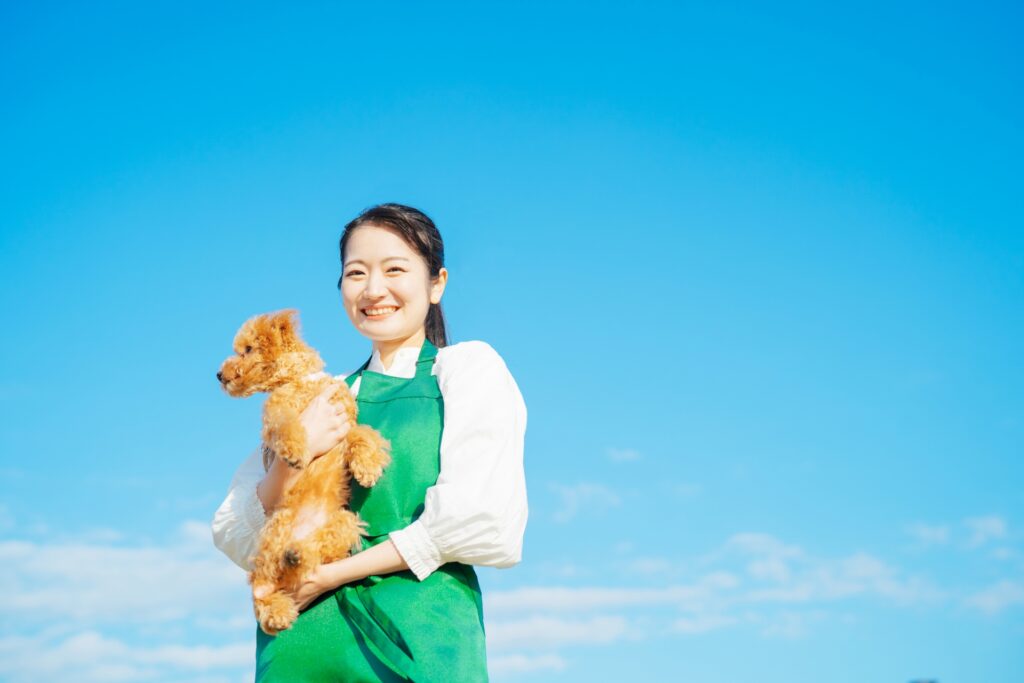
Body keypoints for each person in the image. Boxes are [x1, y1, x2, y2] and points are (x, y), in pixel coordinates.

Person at [210, 203, 529, 682]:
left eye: (394, 269)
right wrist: (298, 456)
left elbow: (478, 517)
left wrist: (334, 573)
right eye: (356, 273)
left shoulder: (466, 371)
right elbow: (234, 528)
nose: (373, 289)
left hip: (417, 635)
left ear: (436, 283)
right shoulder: (322, 394)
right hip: (304, 647)